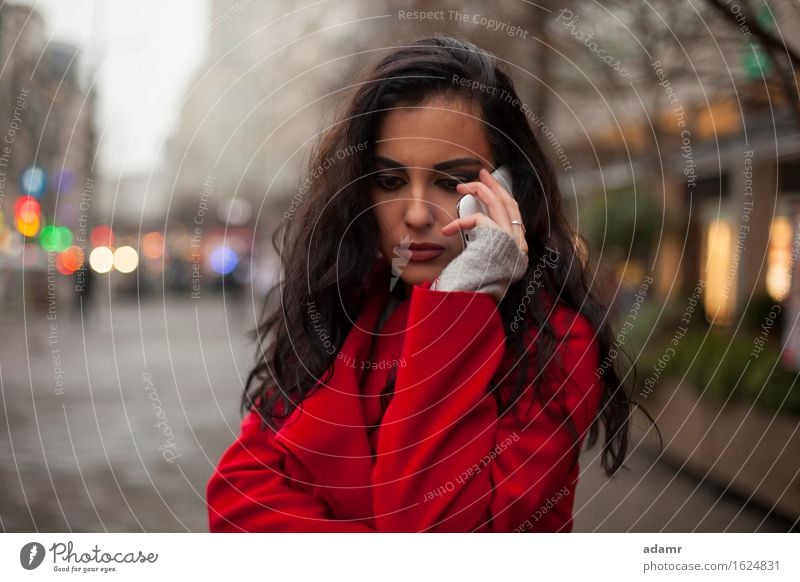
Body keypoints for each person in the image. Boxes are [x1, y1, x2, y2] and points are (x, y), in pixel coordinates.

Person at [206, 34, 635, 532]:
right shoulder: (343, 307)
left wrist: (459, 303)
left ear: (508, 188)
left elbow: (435, 527)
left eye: (451, 181)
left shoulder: (555, 345)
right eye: (389, 182)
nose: (414, 214)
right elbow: (236, 499)